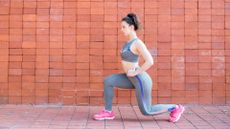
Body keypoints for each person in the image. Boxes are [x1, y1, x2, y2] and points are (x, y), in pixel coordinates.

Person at [93, 13, 185, 122]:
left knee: (147, 111)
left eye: (124, 27)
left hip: (140, 80)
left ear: (131, 27)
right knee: (108, 81)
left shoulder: (138, 43)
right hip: (130, 78)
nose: (121, 30)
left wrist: (137, 72)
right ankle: (108, 112)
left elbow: (150, 61)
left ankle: (176, 108)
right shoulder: (128, 43)